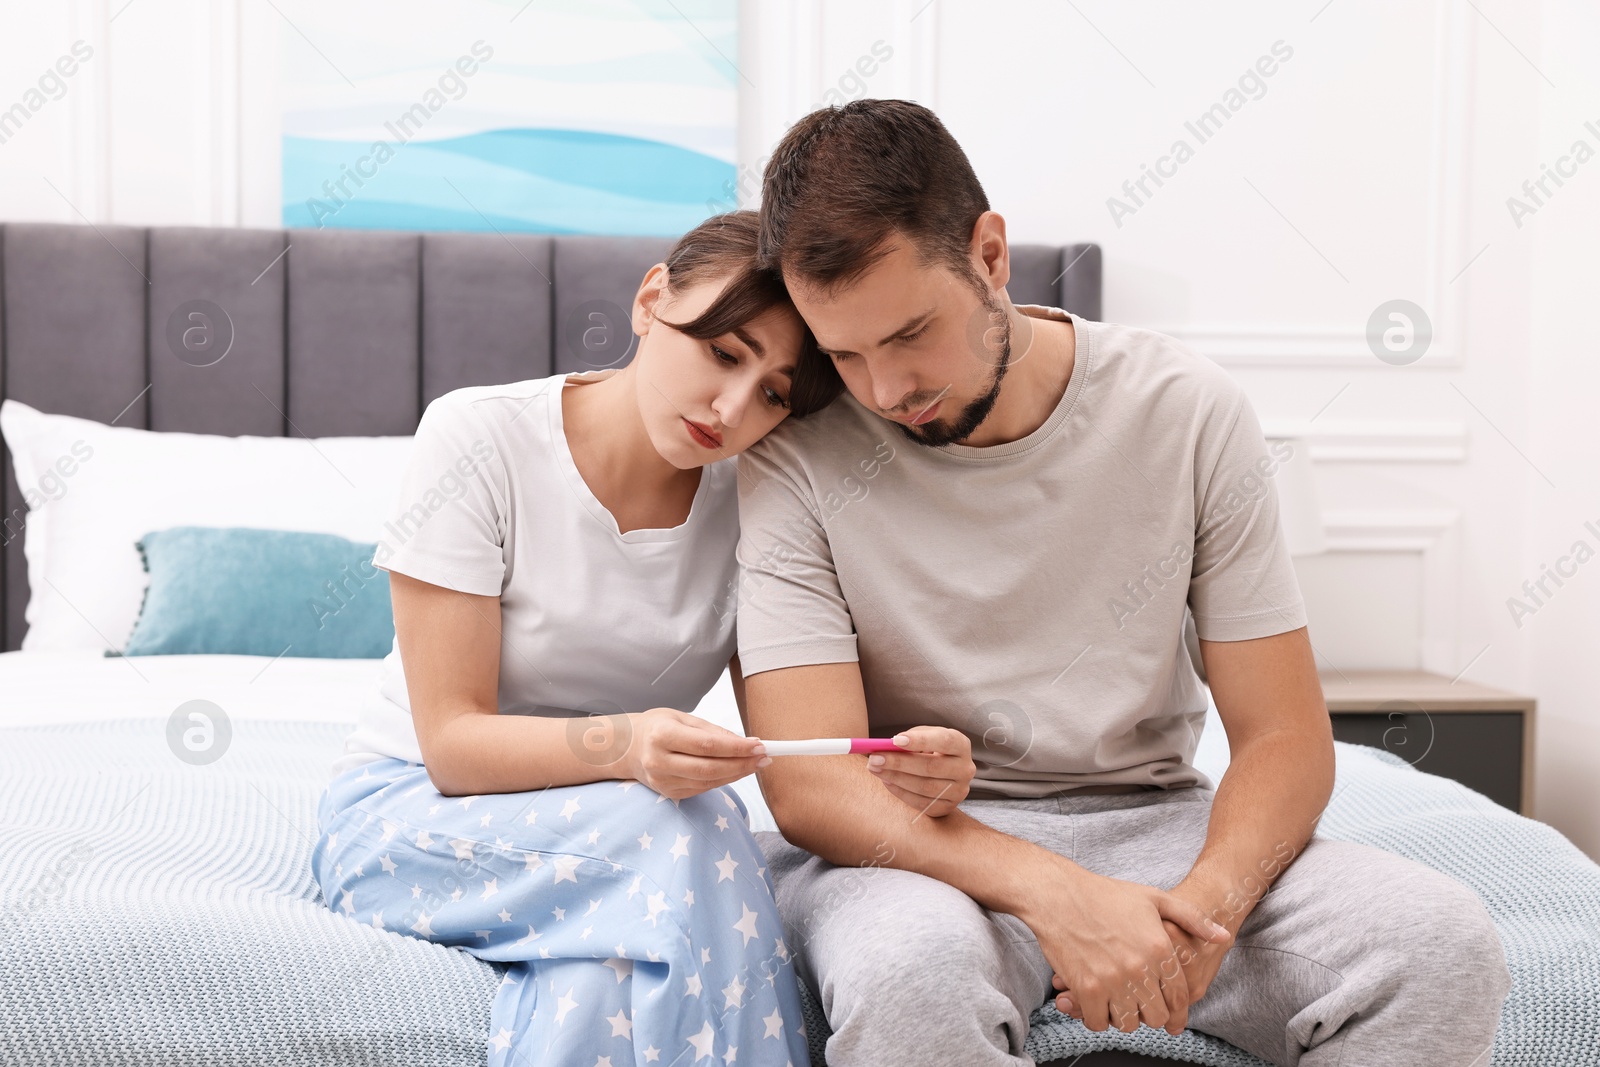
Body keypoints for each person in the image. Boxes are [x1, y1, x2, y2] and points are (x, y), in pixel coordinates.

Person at [734, 100, 1512, 1067]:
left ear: (988, 254)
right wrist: (1057, 893)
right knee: (910, 975)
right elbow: (811, 787)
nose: (886, 389)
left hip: (1156, 829)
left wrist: (1199, 920)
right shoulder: (792, 458)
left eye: (909, 334)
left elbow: (1282, 737)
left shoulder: (1185, 412)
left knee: (1440, 943)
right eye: (844, 354)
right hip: (914, 850)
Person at [311, 209, 979, 1067]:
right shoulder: (479, 438)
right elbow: (452, 745)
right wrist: (628, 743)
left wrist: (917, 763)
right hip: (413, 818)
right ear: (651, 298)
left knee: (605, 978)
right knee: (692, 826)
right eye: (723, 353)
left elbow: (800, 737)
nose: (732, 407)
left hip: (624, 842)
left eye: (774, 393)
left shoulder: (760, 501)